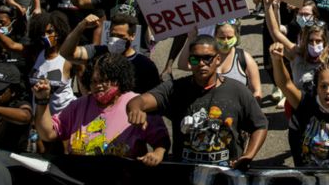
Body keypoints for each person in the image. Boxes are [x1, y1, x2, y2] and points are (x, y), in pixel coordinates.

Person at [125, 36, 268, 167]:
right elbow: (140, 101)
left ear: (218, 59)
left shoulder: (237, 90)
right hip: (187, 178)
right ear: (189, 61)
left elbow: (259, 125)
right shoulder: (175, 89)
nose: (201, 63)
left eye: (207, 58)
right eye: (195, 59)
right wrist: (135, 109)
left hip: (227, 176)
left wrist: (248, 156)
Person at [33, 52, 169, 163]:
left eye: (104, 80)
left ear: (119, 79)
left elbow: (161, 139)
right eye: (93, 82)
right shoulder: (78, 106)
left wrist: (157, 153)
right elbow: (48, 134)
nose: (98, 86)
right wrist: (42, 101)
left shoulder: (136, 103)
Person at [59, 13, 161, 95]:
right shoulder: (98, 52)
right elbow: (66, 53)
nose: (115, 39)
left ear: (132, 36)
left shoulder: (145, 65)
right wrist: (81, 26)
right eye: (112, 35)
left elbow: (154, 96)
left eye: (120, 36)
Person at [179, 20, 261, 102]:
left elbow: (257, 91)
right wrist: (190, 39)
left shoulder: (244, 58)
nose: (226, 41)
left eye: (229, 37)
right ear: (215, 36)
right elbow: (183, 65)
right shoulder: (207, 57)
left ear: (236, 36)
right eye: (222, 37)